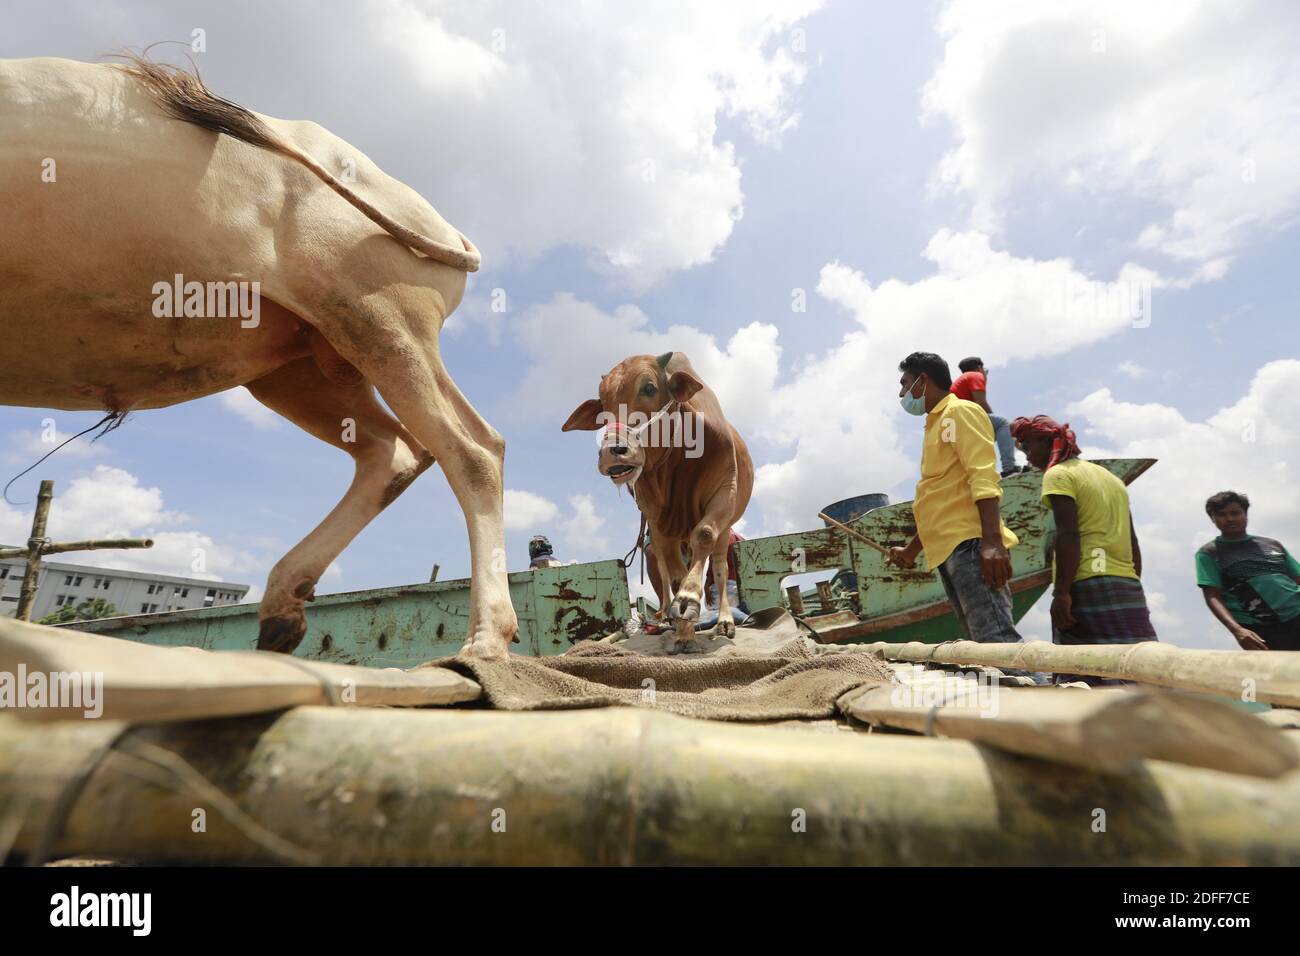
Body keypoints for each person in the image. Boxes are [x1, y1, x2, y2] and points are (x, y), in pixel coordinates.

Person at [887, 352, 1024, 644]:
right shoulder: (935, 425)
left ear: (923, 381)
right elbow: (940, 498)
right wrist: (911, 551)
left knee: (995, 641)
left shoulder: (959, 412)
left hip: (972, 546)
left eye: (905, 383)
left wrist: (992, 543)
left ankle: (1034, 688)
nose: (901, 394)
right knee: (981, 643)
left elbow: (982, 474)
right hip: (952, 550)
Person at [1010, 415, 1157, 684]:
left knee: (1079, 672)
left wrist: (1062, 593)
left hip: (1086, 583)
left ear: (1046, 442)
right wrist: (1132, 579)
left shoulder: (1058, 475)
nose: (1028, 457)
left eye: (1029, 447)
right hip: (1126, 584)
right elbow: (1133, 541)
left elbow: (1068, 535)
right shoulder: (1112, 479)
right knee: (1140, 668)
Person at [1195, 491, 1300, 651]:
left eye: (1235, 513)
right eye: (1222, 514)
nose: (1230, 518)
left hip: (1297, 614)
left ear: (1245, 514)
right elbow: (1212, 596)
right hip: (1259, 628)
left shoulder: (1273, 544)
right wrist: (1237, 630)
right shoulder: (1209, 553)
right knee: (1277, 674)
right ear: (1213, 519)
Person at [951, 356, 1018, 477]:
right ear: (979, 368)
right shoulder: (975, 375)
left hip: (952, 423)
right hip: (962, 419)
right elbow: (980, 403)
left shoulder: (961, 380)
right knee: (1003, 424)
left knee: (985, 436)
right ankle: (1009, 468)